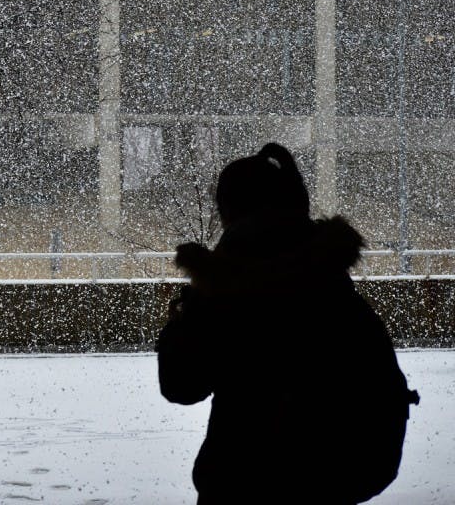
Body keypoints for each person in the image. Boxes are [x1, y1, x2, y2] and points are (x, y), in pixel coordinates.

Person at [155, 143, 416, 504]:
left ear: (229, 211)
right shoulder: (331, 284)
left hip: (241, 481)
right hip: (330, 481)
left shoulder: (223, 288)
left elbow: (182, 385)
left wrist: (178, 323)